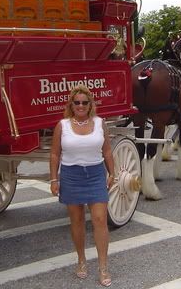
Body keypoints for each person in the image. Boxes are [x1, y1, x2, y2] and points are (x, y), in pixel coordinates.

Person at [49, 85, 115, 287]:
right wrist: (54, 179)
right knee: (77, 221)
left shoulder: (99, 123)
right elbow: (54, 154)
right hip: (71, 175)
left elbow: (107, 151)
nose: (80, 106)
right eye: (76, 102)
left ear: (90, 104)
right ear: (71, 104)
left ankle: (103, 266)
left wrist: (112, 172)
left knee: (99, 219)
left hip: (95, 174)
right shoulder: (63, 125)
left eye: (84, 102)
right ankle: (81, 260)